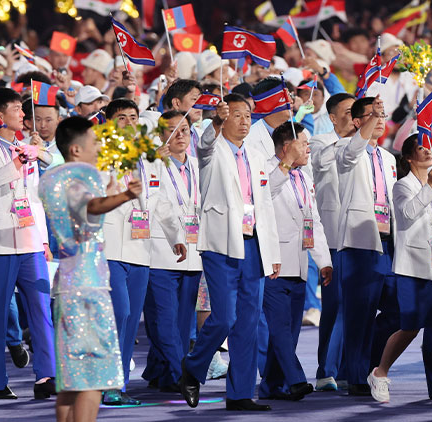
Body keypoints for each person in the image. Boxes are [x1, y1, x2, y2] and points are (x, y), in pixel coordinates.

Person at [178, 94, 281, 411]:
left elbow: (264, 204)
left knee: (248, 323)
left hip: (255, 244)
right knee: (224, 317)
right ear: (223, 120)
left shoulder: (257, 153)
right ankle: (193, 367)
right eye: (237, 115)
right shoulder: (212, 149)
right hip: (222, 243)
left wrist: (273, 251)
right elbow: (205, 144)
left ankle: (239, 394)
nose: (244, 120)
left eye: (248, 115)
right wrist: (215, 121)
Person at [39, 116, 139, 422]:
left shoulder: (59, 179)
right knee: (93, 376)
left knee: (70, 379)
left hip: (71, 279)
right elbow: (90, 206)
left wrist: (108, 191)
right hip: (87, 287)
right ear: (76, 150)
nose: (99, 146)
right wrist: (124, 196)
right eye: (94, 142)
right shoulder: (77, 180)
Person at [0, 88, 56, 400]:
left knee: (42, 309)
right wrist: (19, 161)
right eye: (17, 109)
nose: (23, 115)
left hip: (31, 240)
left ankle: (46, 376)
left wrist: (44, 240)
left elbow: (35, 199)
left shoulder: (28, 148)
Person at [100, 99, 187, 406]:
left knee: (130, 319)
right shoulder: (102, 152)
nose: (129, 122)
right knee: (118, 314)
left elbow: (160, 201)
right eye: (121, 118)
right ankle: (103, 381)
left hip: (141, 247)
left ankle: (118, 385)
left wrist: (176, 235)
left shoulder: (150, 161)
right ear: (109, 122)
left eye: (133, 117)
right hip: (111, 245)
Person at [367, 134, 432, 404]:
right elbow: (407, 214)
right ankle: (380, 372)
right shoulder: (402, 186)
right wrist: (429, 185)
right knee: (410, 327)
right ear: (408, 157)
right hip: (414, 268)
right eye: (421, 148)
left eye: (429, 147)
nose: (428, 152)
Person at [259, 122, 332, 401]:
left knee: (290, 330)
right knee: (279, 330)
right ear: (287, 147)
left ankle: (270, 386)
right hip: (274, 264)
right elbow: (266, 194)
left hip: (300, 263)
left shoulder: (304, 176)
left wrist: (323, 261)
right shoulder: (265, 168)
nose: (309, 149)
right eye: (304, 143)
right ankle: (296, 380)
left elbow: (313, 221)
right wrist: (285, 165)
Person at [334, 95, 400, 396]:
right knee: (359, 315)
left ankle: (372, 365)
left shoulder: (388, 159)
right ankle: (357, 377)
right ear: (358, 121)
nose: (380, 118)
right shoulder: (346, 149)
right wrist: (372, 113)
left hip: (389, 243)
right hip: (360, 243)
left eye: (383, 114)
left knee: (398, 310)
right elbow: (355, 148)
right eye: (373, 114)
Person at [141, 110, 203, 392]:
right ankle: (181, 374)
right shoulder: (150, 162)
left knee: (182, 321)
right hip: (160, 247)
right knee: (164, 317)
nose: (179, 136)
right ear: (161, 133)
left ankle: (161, 372)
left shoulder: (199, 165)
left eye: (184, 130)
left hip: (192, 249)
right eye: (172, 130)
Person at [309, 92, 356, 391]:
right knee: (336, 305)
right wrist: (353, 138)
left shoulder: (369, 148)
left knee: (360, 306)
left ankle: (351, 367)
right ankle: (327, 369)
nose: (355, 117)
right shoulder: (321, 141)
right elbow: (323, 162)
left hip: (365, 236)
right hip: (335, 236)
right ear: (333, 117)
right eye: (350, 112)